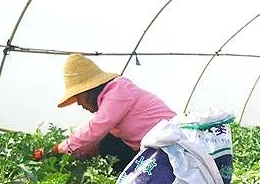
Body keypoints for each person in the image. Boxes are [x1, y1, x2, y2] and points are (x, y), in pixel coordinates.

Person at [40, 53, 176, 173]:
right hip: (155, 148)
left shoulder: (118, 90)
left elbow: (97, 127)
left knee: (107, 145)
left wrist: (60, 149)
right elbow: (95, 136)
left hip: (173, 146)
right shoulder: (111, 99)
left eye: (78, 97)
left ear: (88, 91)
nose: (79, 104)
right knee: (106, 141)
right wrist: (82, 151)